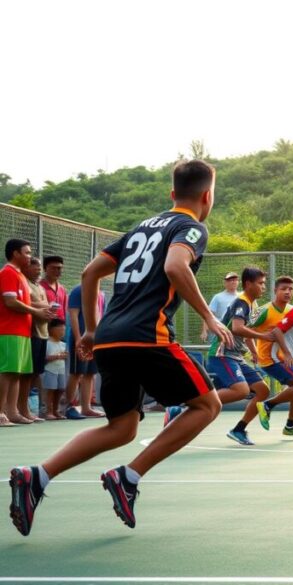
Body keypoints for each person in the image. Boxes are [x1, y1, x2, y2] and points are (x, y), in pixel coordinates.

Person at [9, 159, 232, 535]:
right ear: (208, 196)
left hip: (112, 337)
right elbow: (176, 268)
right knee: (208, 405)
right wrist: (210, 317)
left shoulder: (141, 228)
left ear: (172, 193)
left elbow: (89, 272)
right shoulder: (190, 227)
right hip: (148, 335)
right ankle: (129, 476)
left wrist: (93, 331)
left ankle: (38, 475)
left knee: (123, 427)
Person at [203, 266, 274, 446]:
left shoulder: (254, 304)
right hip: (222, 353)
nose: (263, 287)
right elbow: (237, 327)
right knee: (241, 390)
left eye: (264, 283)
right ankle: (188, 408)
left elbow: (248, 330)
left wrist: (254, 350)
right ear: (248, 284)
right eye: (260, 283)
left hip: (236, 356)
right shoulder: (240, 301)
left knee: (263, 390)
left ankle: (239, 429)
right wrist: (263, 337)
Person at [1, 239, 56, 426]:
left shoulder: (20, 276)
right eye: (26, 252)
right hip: (8, 330)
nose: (29, 256)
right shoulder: (8, 273)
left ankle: (13, 412)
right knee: (7, 372)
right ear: (15, 253)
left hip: (22, 331)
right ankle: (0, 412)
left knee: (17, 373)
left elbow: (22, 302)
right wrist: (36, 311)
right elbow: (10, 302)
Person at [253, 277, 293, 437]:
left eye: (290, 289)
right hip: (275, 358)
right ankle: (268, 405)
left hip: (288, 357)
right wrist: (287, 353)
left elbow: (292, 339)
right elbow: (276, 331)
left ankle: (290, 424)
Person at [65, 283, 106, 419]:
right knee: (77, 373)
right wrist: (78, 339)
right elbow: (73, 315)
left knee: (90, 373)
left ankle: (86, 408)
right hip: (81, 338)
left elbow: (100, 315)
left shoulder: (101, 293)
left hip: (95, 339)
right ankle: (68, 407)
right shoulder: (78, 290)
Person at [23, 257, 50, 421]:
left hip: (43, 332)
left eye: (40, 268)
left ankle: (25, 408)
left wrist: (46, 307)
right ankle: (20, 408)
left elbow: (44, 304)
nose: (38, 270)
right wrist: (45, 306)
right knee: (24, 373)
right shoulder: (24, 283)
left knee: (35, 373)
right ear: (27, 268)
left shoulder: (40, 286)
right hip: (30, 332)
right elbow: (26, 302)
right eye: (35, 267)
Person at [200, 272, 239, 342]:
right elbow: (208, 314)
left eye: (235, 280)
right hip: (220, 331)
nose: (233, 282)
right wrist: (204, 331)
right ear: (225, 283)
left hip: (237, 332)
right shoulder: (218, 297)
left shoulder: (242, 297)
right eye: (230, 280)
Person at [42, 319, 68, 421]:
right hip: (50, 370)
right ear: (51, 330)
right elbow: (45, 357)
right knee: (50, 390)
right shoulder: (47, 343)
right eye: (60, 329)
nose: (62, 332)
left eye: (64, 330)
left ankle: (56, 410)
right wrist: (56, 356)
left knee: (60, 389)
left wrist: (64, 356)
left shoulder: (63, 344)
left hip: (61, 370)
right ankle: (48, 411)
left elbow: (65, 356)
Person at [40, 255, 67, 321]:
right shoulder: (39, 287)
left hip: (60, 327)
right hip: (44, 325)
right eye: (53, 268)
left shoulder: (62, 289)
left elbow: (65, 311)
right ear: (45, 269)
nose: (56, 271)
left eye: (59, 268)